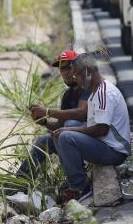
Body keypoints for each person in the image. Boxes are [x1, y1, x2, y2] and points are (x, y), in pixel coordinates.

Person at [54, 53, 130, 202]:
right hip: (104, 142)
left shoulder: (104, 93)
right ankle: (74, 180)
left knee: (66, 136)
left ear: (88, 72)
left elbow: (101, 129)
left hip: (115, 150)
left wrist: (69, 131)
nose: (75, 79)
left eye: (77, 75)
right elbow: (93, 126)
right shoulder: (95, 91)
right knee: (64, 129)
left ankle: (80, 187)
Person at [15, 50, 89, 181]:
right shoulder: (68, 95)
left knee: (70, 124)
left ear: (78, 67)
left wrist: (48, 111)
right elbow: (60, 126)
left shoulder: (87, 87)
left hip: (92, 139)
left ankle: (79, 184)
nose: (65, 73)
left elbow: (81, 113)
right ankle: (19, 182)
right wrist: (44, 122)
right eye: (62, 69)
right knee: (43, 140)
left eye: (68, 67)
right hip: (72, 139)